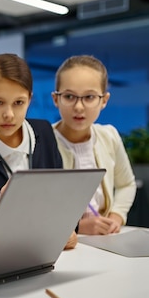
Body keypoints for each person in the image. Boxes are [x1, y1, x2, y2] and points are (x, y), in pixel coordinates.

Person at [0, 53, 76, 249]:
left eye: (18, 103)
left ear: (29, 99)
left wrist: (66, 229)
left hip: (48, 250)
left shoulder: (44, 132)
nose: (9, 114)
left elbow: (61, 198)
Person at [51, 55, 136, 235]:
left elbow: (126, 184)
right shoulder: (42, 141)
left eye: (89, 97)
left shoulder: (109, 136)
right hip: (59, 242)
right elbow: (37, 204)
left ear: (104, 100)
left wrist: (116, 216)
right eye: (69, 96)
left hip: (105, 238)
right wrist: (78, 227)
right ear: (56, 99)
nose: (79, 107)